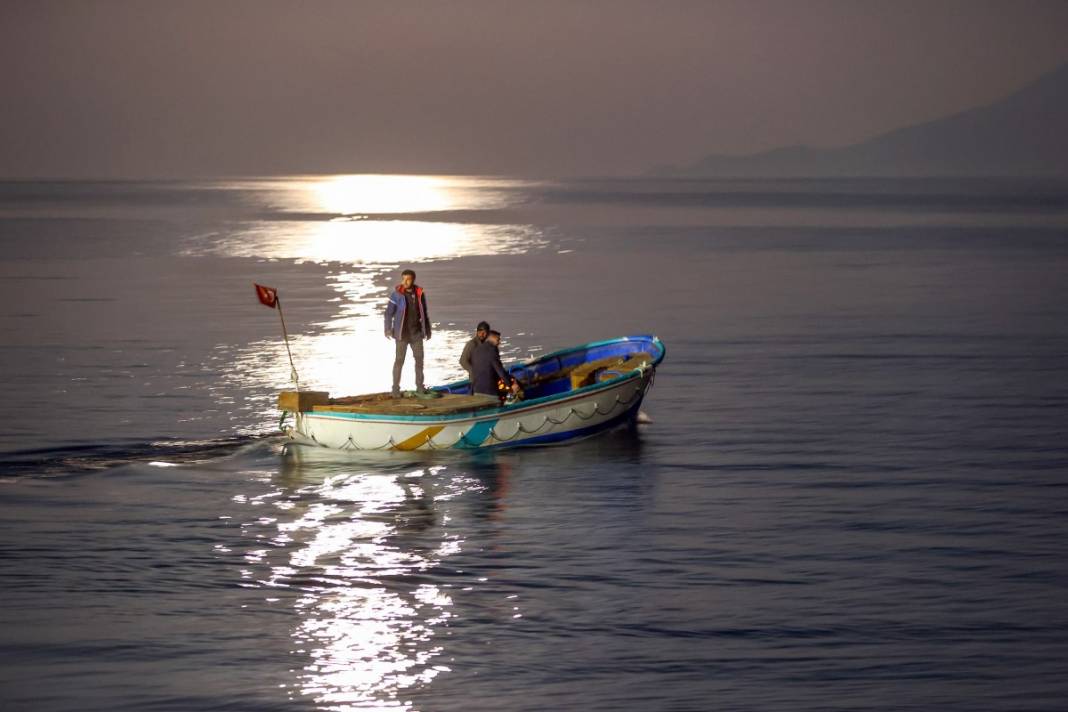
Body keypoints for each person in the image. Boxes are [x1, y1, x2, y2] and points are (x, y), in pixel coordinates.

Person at [384, 269, 431, 397]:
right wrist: (388, 329)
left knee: (419, 361)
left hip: (416, 334)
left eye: (408, 279)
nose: (405, 282)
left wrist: (427, 330)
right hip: (401, 335)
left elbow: (424, 313)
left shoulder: (420, 294)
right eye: (403, 279)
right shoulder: (396, 295)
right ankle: (395, 389)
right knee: (399, 361)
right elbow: (388, 313)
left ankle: (420, 387)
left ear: (413, 280)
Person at [470, 330, 520, 400]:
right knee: (515, 391)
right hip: (489, 393)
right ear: (491, 338)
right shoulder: (492, 350)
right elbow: (500, 371)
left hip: (476, 391)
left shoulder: (476, 350)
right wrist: (512, 384)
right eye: (498, 339)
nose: (499, 342)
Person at [459, 321, 490, 390]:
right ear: (477, 332)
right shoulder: (472, 344)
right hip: (475, 381)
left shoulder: (486, 345)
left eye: (485, 333)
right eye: (480, 332)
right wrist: (473, 371)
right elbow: (463, 361)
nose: (482, 334)